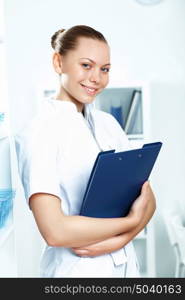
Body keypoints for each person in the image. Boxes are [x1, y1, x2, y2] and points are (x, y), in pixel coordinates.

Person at [15, 25, 156, 278]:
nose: (96, 78)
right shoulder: (39, 132)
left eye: (105, 69)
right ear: (58, 62)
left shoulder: (109, 125)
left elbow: (148, 200)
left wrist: (119, 241)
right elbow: (55, 231)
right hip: (77, 272)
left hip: (124, 267)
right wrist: (130, 224)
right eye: (86, 65)